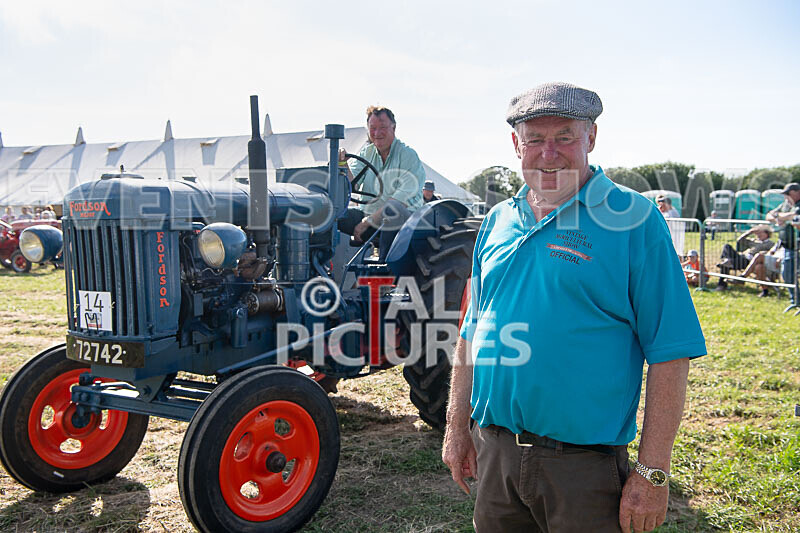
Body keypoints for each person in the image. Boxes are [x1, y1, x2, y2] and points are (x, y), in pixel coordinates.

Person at [442, 82, 706, 533]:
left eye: (564, 136)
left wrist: (653, 471)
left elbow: (670, 351)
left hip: (582, 468)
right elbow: (472, 330)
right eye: (535, 140)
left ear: (592, 138)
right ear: (515, 145)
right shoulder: (496, 221)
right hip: (496, 455)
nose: (549, 153)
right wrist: (456, 425)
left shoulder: (633, 218)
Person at [337, 106, 425, 256]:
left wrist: (366, 222)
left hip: (406, 221)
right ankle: (326, 270)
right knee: (334, 216)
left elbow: (398, 202)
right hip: (369, 216)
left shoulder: (407, 155)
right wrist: (342, 164)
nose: (377, 133)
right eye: (373, 128)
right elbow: (352, 184)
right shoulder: (367, 152)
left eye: (383, 127)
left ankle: (385, 269)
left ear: (394, 128)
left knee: (391, 212)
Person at [766, 182, 800, 306]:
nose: (786, 197)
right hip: (788, 246)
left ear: (797, 192)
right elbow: (769, 215)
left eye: (788, 194)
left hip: (798, 246)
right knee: (787, 275)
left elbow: (795, 215)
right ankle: (796, 300)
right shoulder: (785, 205)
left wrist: (780, 216)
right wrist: (777, 219)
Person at [715, 225, 774, 291]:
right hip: (742, 256)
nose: (758, 235)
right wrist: (749, 232)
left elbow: (771, 254)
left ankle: (722, 285)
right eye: (757, 233)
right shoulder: (754, 241)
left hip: (750, 261)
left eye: (760, 233)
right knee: (727, 246)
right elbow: (739, 240)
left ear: (767, 233)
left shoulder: (770, 244)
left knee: (725, 265)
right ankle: (727, 261)